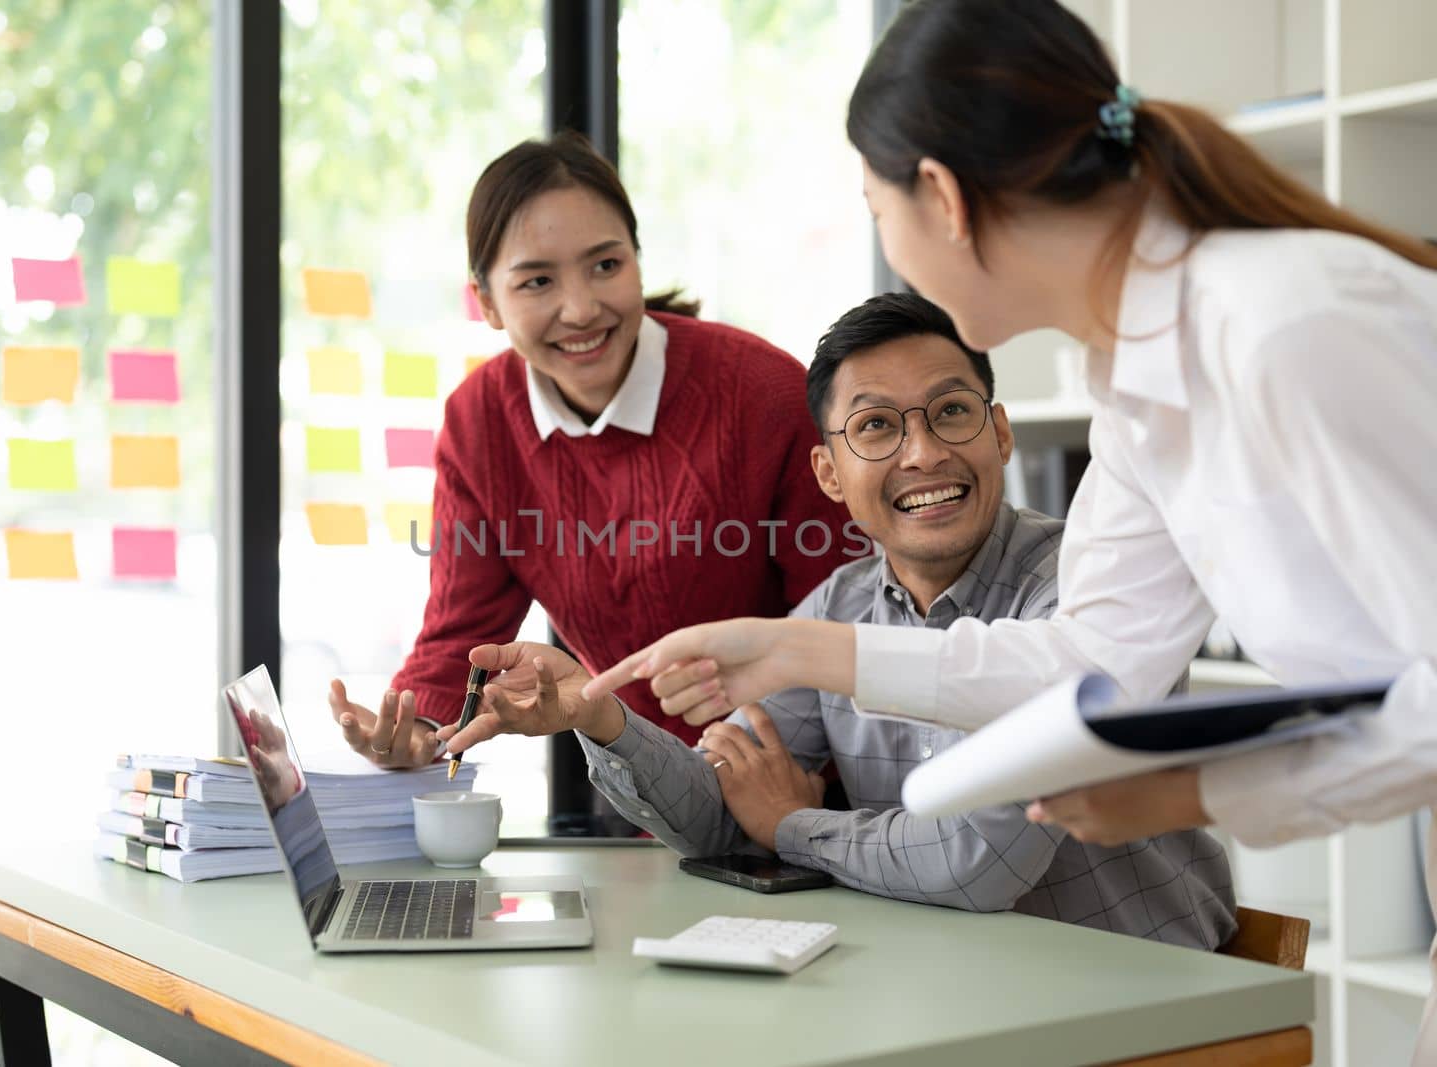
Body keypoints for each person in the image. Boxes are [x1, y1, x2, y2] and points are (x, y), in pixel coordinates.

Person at [584, 0, 1437, 1045]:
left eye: (875, 207)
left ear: (938, 195)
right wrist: (799, 647)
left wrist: (1195, 789)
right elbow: (1092, 658)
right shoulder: (1130, 379)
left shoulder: (1281, 323)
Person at [438, 292, 1237, 948]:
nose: (922, 453)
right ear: (829, 471)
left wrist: (793, 825)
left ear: (999, 431)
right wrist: (601, 716)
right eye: (878, 426)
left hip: (1146, 1008)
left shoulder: (1088, 588)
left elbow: (974, 862)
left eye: (951, 412)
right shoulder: (840, 604)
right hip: (953, 991)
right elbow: (721, 814)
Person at [330, 131, 856, 768]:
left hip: (801, 780)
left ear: (637, 259)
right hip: (644, 791)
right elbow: (461, 634)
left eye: (606, 266)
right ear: (488, 302)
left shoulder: (763, 394)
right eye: (537, 282)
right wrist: (416, 728)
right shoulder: (480, 422)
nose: (580, 309)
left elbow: (844, 624)